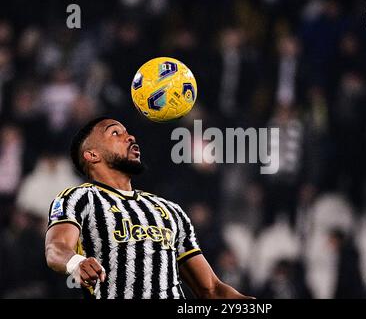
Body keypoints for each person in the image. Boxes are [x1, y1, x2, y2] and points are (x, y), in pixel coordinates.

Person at [45, 117, 253, 299]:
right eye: (115, 132)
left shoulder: (169, 210)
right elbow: (56, 249)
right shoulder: (79, 198)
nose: (130, 137)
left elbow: (211, 290)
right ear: (92, 155)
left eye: (128, 132)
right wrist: (76, 263)